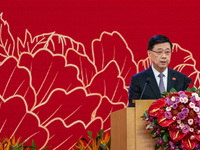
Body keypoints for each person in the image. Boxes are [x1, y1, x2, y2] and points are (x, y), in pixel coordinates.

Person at [128, 35, 189, 107]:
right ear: (149, 54)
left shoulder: (181, 79)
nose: (164, 56)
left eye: (167, 52)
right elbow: (132, 109)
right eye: (159, 52)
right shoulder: (138, 80)